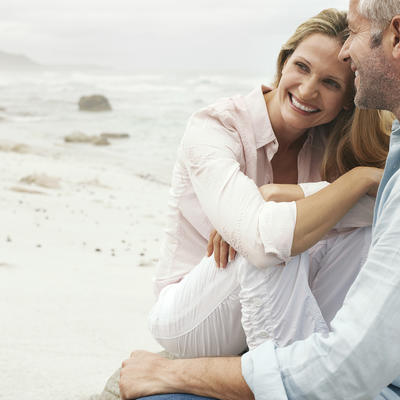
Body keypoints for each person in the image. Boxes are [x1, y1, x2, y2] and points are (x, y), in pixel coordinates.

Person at [119, 0, 400, 399]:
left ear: (346, 96)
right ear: (284, 62)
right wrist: (355, 182)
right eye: (301, 67)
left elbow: (383, 212)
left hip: (270, 305)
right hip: (191, 317)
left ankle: (323, 370)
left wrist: (301, 192)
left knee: (359, 234)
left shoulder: (331, 141)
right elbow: (259, 239)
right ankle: (306, 385)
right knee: (276, 243)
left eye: (331, 83)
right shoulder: (215, 127)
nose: (308, 91)